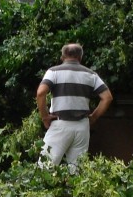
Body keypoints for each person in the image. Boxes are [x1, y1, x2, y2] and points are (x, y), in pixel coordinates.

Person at [36, 43, 113, 173]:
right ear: (80, 57)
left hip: (60, 125)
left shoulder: (53, 72)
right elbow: (107, 97)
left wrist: (44, 117)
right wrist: (93, 117)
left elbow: (41, 93)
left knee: (45, 169)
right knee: (77, 172)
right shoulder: (91, 74)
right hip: (82, 127)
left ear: (63, 56)